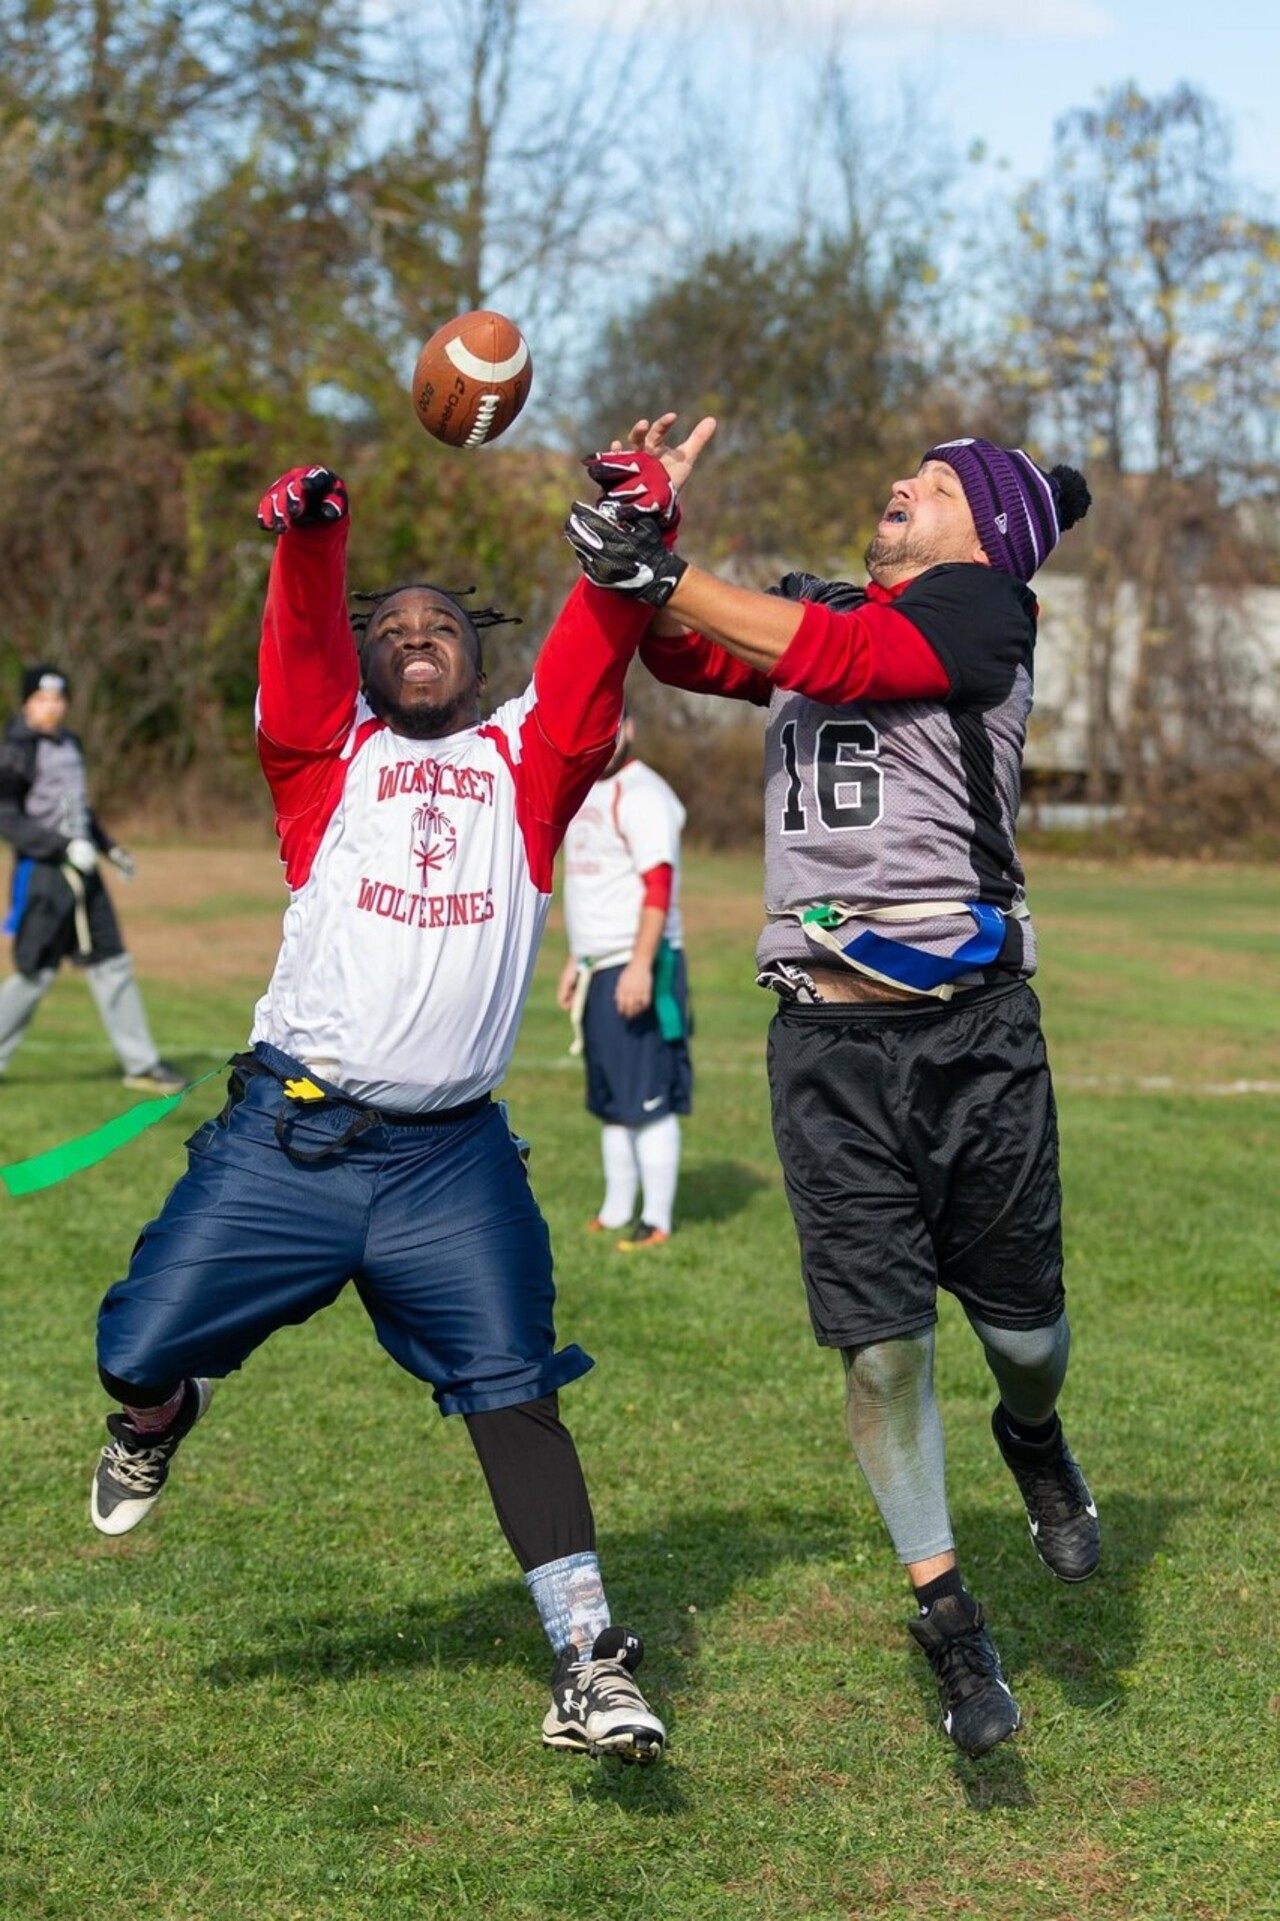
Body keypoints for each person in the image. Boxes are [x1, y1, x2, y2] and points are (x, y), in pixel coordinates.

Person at [86, 443, 708, 1764]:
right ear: (366, 662)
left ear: (477, 658)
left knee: (512, 1387)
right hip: (290, 1140)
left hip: (450, 1166)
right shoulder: (325, 759)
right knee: (133, 1348)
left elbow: (591, 662)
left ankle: (588, 1661)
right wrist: (315, 542)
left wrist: (639, 523)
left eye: (442, 626)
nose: (416, 636)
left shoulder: (529, 763)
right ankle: (157, 1417)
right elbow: (301, 656)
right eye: (392, 628)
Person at [565, 424, 1100, 1759]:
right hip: (825, 1046)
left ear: (986, 532)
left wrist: (666, 572)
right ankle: (949, 1617)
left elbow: (843, 659)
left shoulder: (985, 610)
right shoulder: (828, 611)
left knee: (1024, 1336)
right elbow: (685, 647)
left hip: (970, 1039)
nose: (904, 483)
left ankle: (1033, 1434)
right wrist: (644, 531)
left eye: (940, 482)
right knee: (881, 1344)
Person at [0, 664, 182, 1093]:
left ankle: (141, 1065)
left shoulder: (70, 744)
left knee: (112, 961)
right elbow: (6, 816)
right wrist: (60, 847)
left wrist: (109, 849)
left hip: (85, 872)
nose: (51, 707)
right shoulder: (16, 750)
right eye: (41, 699)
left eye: (57, 699)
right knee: (35, 972)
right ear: (26, 703)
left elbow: (79, 810)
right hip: (43, 874)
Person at [556, 711, 691, 1251]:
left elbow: (659, 885)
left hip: (639, 965)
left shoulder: (644, 794)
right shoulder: (585, 789)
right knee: (612, 1100)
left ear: (630, 728)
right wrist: (577, 958)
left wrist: (639, 965)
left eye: (612, 724)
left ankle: (656, 1221)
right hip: (599, 965)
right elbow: (593, 890)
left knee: (647, 1099)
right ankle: (615, 1212)